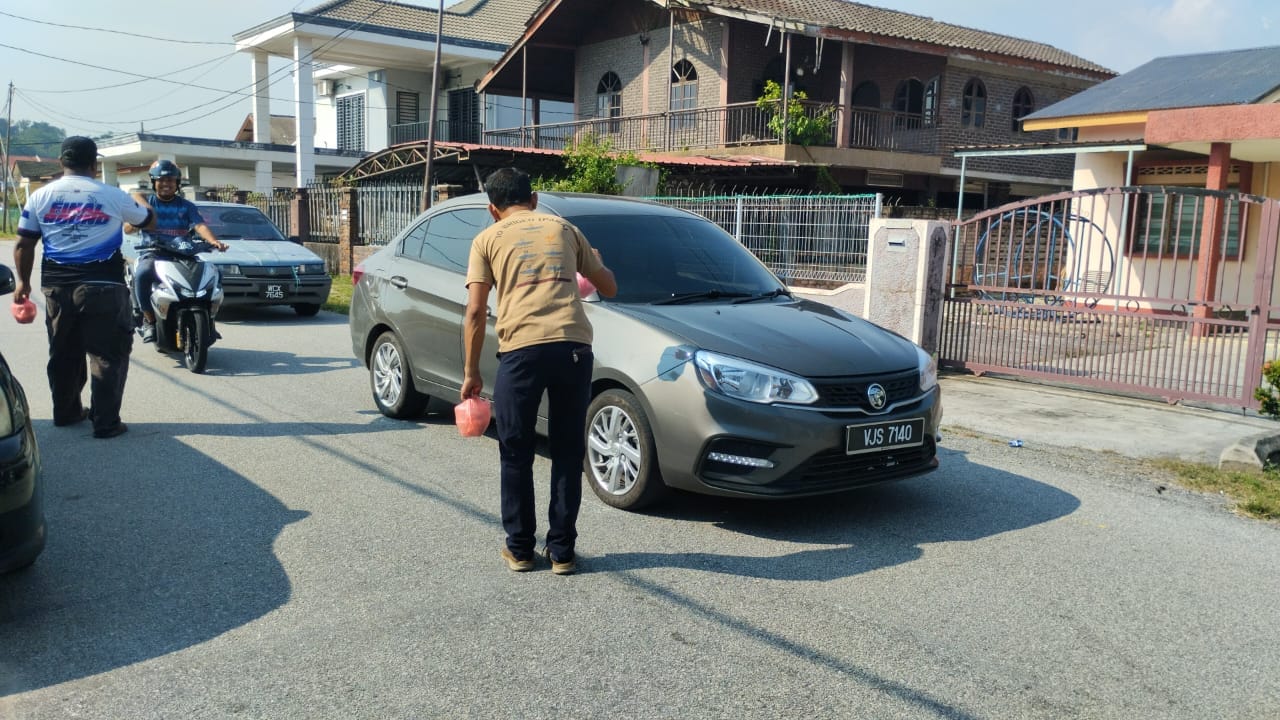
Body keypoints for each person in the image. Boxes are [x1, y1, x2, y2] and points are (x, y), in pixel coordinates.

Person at [462, 167, 617, 575]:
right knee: (567, 452)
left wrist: (470, 372)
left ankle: (520, 550)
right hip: (573, 349)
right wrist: (596, 263)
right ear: (533, 199)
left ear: (493, 209)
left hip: (521, 352)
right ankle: (562, 552)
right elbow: (610, 287)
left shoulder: (486, 239)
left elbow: (476, 311)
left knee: (516, 451)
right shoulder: (565, 228)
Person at [14, 136, 155, 439]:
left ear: (63, 162)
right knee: (107, 355)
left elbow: (25, 243)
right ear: (94, 164)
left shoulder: (41, 196)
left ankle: (65, 413)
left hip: (57, 288)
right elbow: (148, 222)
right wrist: (139, 197)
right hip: (104, 286)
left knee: (63, 352)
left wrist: (23, 283)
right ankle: (105, 423)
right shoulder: (113, 195)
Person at [126, 159, 227, 343]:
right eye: (161, 180)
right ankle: (148, 320)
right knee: (142, 274)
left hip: (182, 253)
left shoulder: (186, 206)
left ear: (177, 183)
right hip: (153, 254)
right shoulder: (147, 203)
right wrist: (136, 222)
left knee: (215, 273)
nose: (166, 184)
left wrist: (213, 241)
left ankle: (209, 321)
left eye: (170, 180)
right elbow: (127, 228)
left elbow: (199, 225)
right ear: (154, 182)